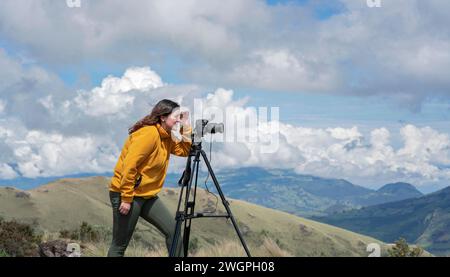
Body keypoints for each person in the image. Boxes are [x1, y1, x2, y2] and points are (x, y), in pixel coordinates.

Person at [107, 99, 191, 257]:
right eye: (176, 116)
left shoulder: (166, 136)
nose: (179, 120)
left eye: (180, 116)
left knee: (173, 231)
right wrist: (126, 198)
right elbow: (129, 166)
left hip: (147, 195)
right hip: (128, 194)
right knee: (120, 245)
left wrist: (185, 126)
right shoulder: (148, 134)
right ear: (163, 117)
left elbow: (184, 151)